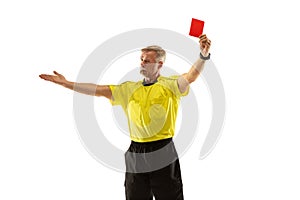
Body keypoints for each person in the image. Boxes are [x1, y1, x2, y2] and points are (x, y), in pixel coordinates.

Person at [39, 34, 211, 200]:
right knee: (135, 196)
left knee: (169, 195)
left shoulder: (170, 85)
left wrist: (203, 56)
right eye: (141, 59)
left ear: (159, 64)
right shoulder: (128, 89)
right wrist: (66, 83)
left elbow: (191, 76)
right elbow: (97, 90)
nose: (142, 62)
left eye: (147, 60)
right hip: (135, 152)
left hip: (163, 150)